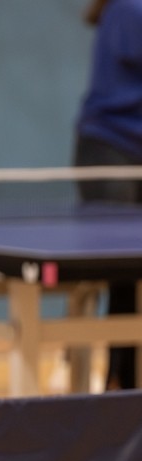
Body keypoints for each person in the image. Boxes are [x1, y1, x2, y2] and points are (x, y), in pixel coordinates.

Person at [73, 0, 142, 390]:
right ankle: (121, 384)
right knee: (123, 270)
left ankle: (127, 381)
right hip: (109, 150)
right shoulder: (130, 9)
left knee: (133, 273)